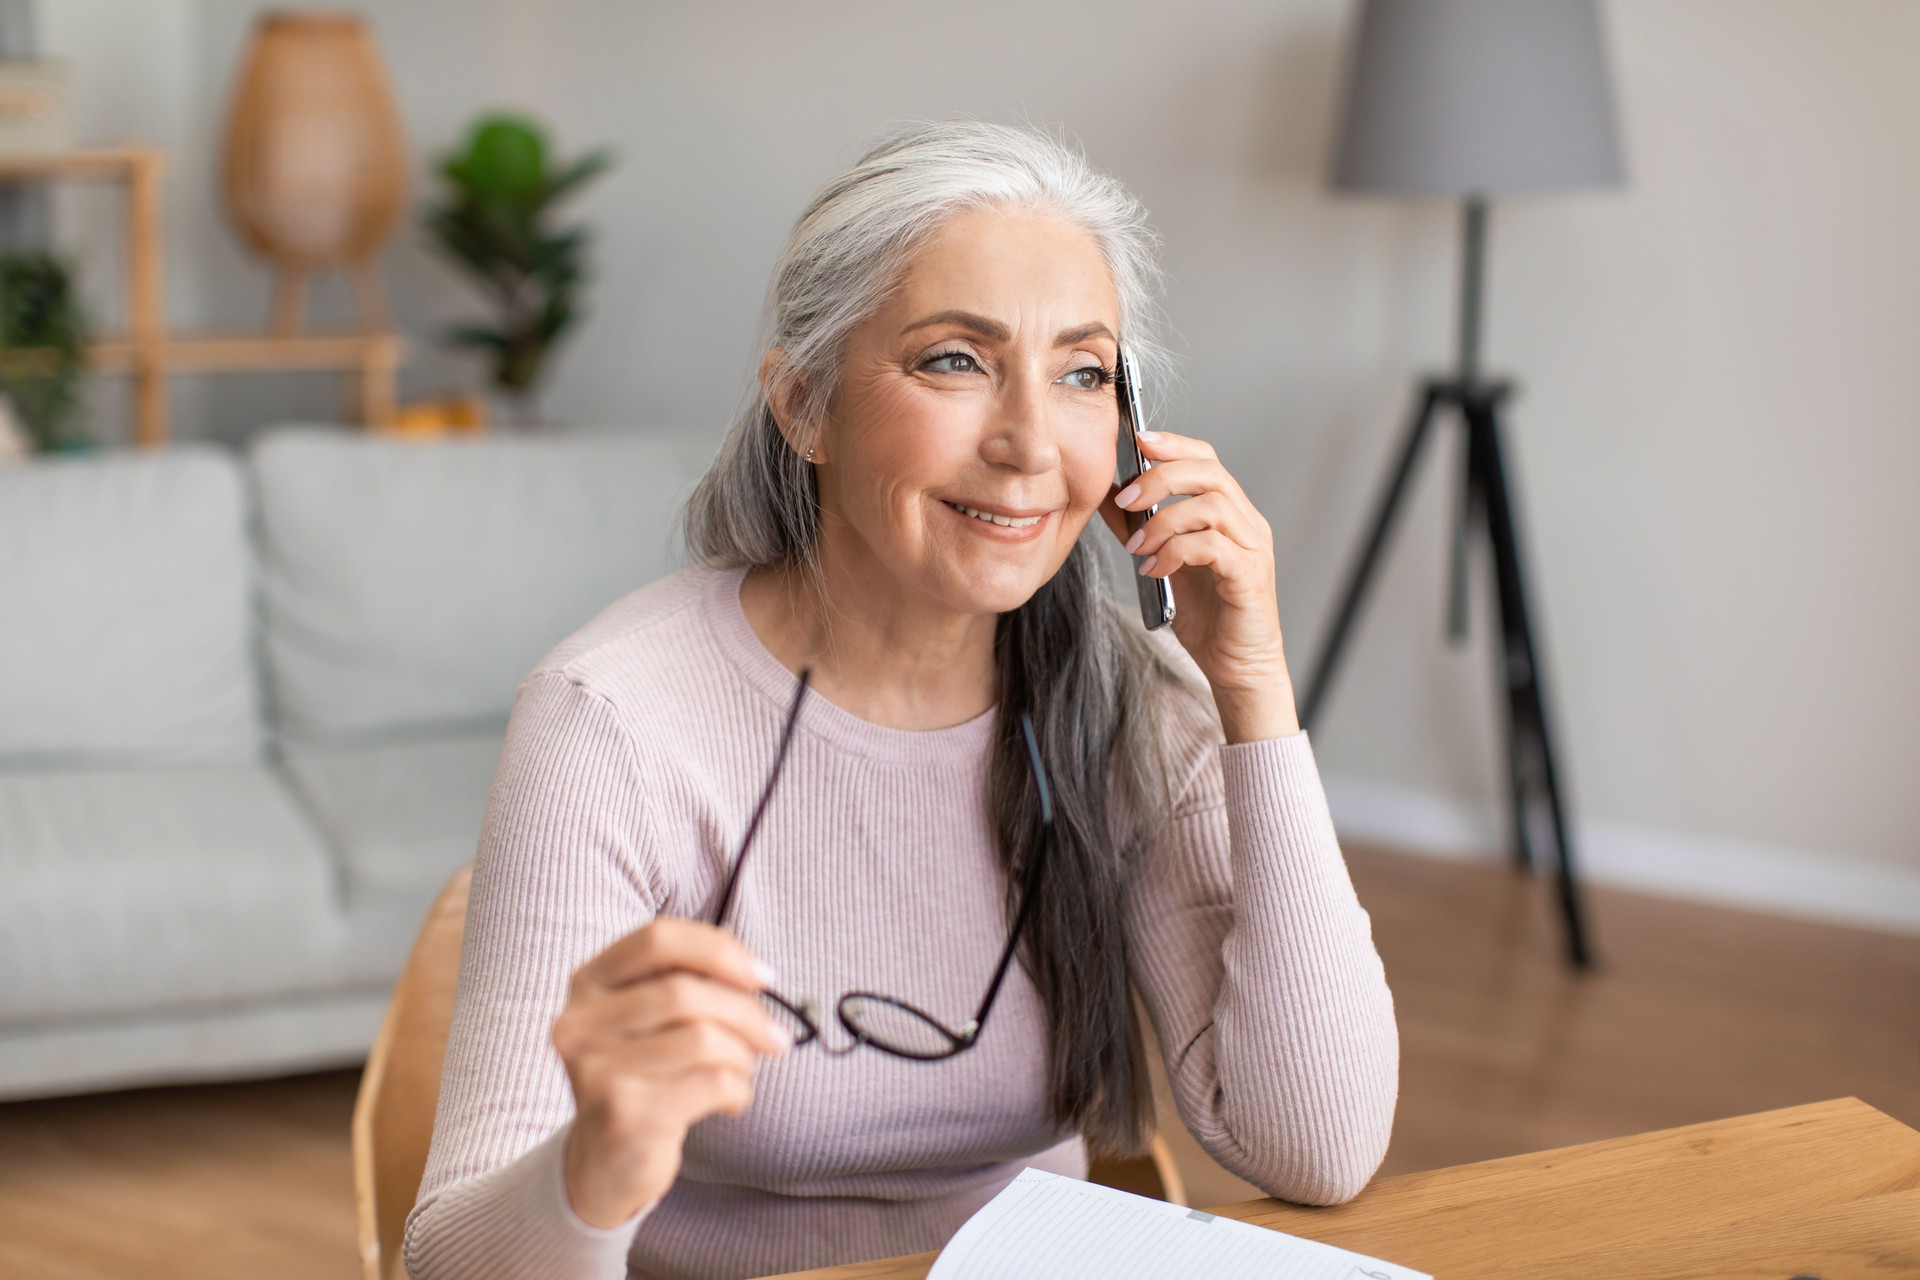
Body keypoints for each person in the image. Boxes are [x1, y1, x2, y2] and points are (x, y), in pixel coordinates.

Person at [402, 119, 1399, 1280]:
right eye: (954, 361)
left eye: (1082, 372)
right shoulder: (614, 720)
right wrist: (596, 1162)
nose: (1030, 443)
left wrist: (1255, 694)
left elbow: (1319, 1145)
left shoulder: (1133, 700)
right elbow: (451, 1262)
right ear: (804, 406)